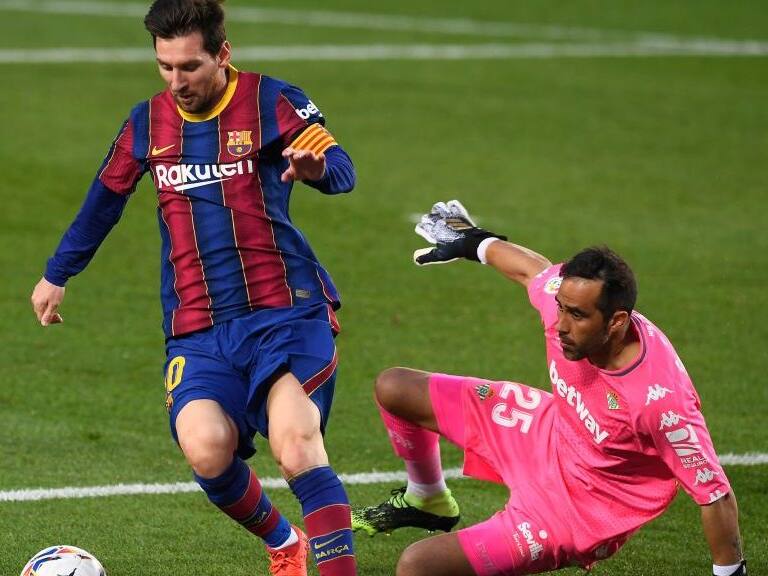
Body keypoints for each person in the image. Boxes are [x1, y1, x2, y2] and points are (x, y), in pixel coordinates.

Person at [29, 1, 357, 575]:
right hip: (198, 326)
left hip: (285, 311)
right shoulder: (146, 121)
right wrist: (58, 272)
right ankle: (285, 543)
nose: (177, 81)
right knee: (205, 448)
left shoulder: (272, 99)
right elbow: (104, 200)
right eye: (165, 67)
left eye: (190, 67)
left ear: (223, 55)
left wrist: (315, 171)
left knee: (295, 443)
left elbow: (343, 169)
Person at [351, 201, 746, 576]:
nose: (560, 326)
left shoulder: (659, 402)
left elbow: (715, 495)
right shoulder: (570, 307)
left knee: (417, 566)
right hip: (548, 431)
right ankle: (428, 498)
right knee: (395, 386)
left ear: (616, 322)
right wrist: (474, 242)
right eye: (560, 307)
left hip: (579, 509)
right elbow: (531, 270)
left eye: (576, 315)